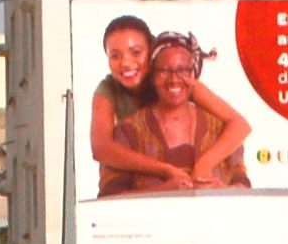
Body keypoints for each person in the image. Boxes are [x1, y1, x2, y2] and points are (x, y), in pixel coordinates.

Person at [90, 17, 250, 193]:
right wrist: (165, 171)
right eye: (115, 55)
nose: (126, 62)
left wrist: (205, 165)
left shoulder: (180, 79)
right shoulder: (109, 91)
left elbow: (240, 124)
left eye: (135, 52)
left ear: (151, 53)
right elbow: (102, 149)